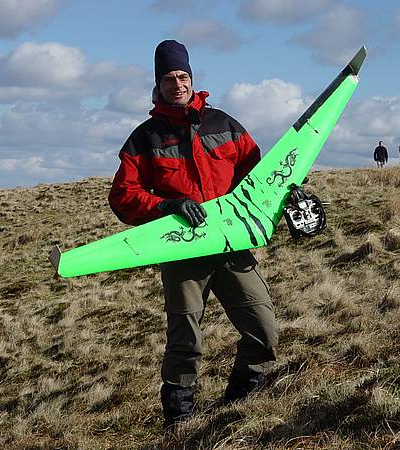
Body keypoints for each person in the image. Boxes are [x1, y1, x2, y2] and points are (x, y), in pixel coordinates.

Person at [108, 40, 278, 430]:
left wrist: (290, 192)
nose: (178, 84)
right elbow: (123, 197)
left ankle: (239, 400)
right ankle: (179, 418)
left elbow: (258, 177)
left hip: (231, 246)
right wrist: (165, 207)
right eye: (169, 79)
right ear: (158, 84)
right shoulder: (145, 137)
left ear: (192, 79)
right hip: (183, 251)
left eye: (183, 77)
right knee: (185, 339)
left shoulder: (224, 124)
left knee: (264, 329)